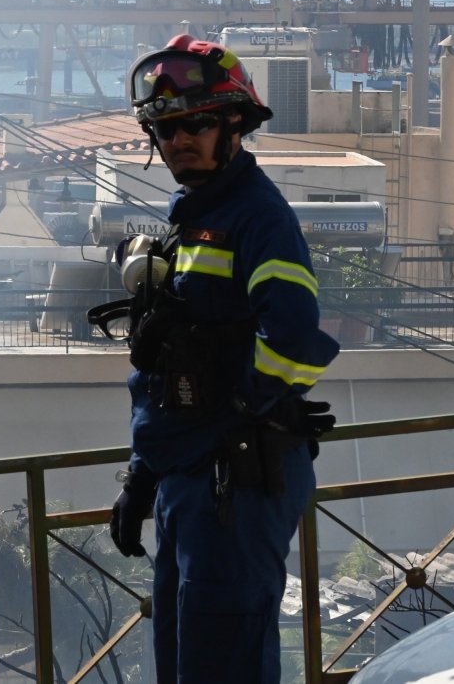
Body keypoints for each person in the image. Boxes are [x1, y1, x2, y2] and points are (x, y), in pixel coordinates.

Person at [103, 34, 339, 684]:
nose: (180, 139)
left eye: (197, 123)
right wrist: (142, 477)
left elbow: (294, 337)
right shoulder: (195, 216)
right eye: (166, 128)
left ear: (235, 123)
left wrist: (241, 407)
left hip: (235, 482)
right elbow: (169, 365)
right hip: (190, 477)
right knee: (185, 658)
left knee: (224, 661)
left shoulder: (259, 219)